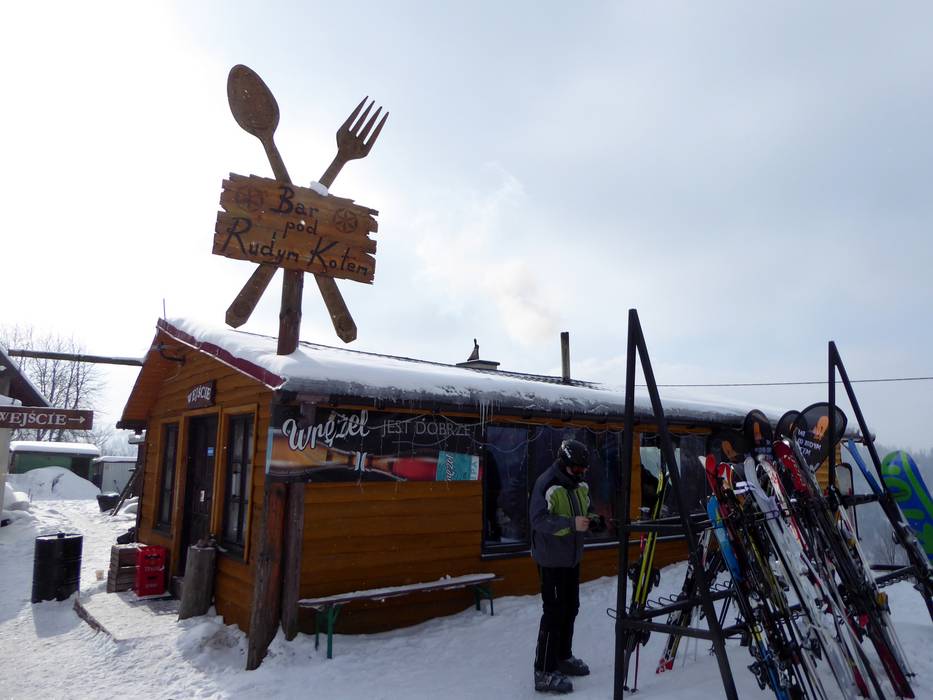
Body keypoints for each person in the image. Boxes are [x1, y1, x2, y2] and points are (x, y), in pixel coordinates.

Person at [530, 438, 605, 694]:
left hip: (572, 557)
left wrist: (594, 521)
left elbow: (587, 509)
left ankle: (563, 656)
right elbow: (538, 520)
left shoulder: (579, 484)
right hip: (551, 559)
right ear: (563, 464)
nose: (580, 473)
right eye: (576, 469)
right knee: (554, 612)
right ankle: (543, 670)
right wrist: (571, 524)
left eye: (584, 469)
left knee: (571, 607)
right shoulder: (547, 484)